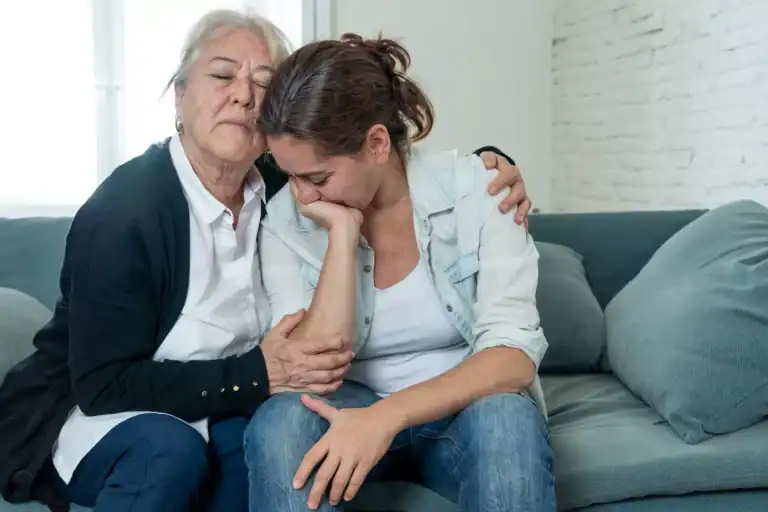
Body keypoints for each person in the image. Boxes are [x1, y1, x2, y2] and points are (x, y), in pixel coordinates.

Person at [0, 9, 533, 512]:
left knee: (247, 449)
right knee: (201, 446)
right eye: (222, 76)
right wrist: (258, 373)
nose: (243, 96)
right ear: (179, 95)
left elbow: (369, 158)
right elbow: (103, 385)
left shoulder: (280, 184)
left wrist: (495, 167)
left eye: (263, 83)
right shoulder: (127, 212)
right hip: (116, 407)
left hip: (229, 404)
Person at [246, 33, 555, 512]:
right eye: (290, 175)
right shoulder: (287, 219)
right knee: (280, 423)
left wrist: (386, 417)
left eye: (318, 177)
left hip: (461, 411)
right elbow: (309, 371)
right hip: (345, 407)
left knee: (507, 421)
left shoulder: (479, 190)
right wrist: (343, 235)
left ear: (376, 144)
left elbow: (513, 356)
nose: (302, 196)